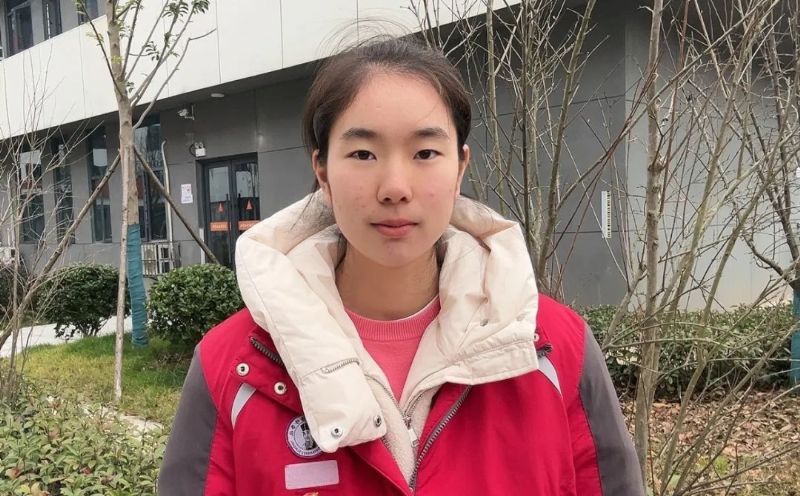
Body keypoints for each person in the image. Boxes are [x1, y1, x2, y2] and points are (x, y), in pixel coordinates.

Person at [157, 36, 643, 495]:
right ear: (322, 170)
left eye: (425, 152)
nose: (394, 186)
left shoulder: (555, 352)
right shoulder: (233, 368)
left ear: (460, 167)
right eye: (363, 153)